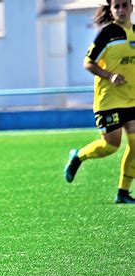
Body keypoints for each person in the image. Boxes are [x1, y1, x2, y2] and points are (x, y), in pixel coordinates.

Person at [64, 0, 135, 203]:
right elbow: (88, 62)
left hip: (132, 100)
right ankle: (78, 156)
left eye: (124, 5)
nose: (121, 10)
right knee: (111, 146)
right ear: (111, 11)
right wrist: (110, 75)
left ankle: (123, 192)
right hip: (109, 101)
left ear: (131, 7)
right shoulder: (107, 34)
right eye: (117, 7)